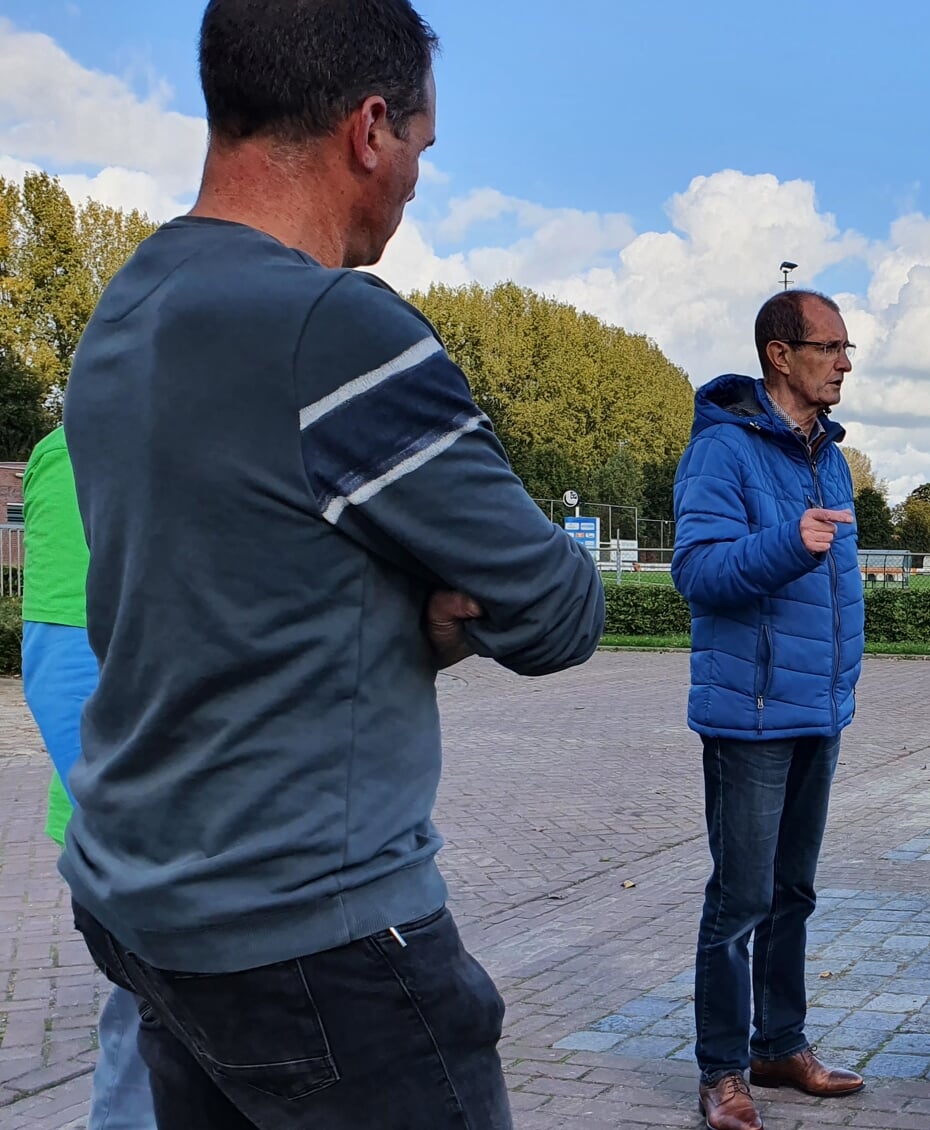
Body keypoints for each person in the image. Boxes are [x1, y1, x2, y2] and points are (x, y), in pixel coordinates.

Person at [60, 2, 606, 1126]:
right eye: (420, 148)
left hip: (144, 908)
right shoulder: (333, 327)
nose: (415, 180)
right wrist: (430, 600)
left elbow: (215, 586)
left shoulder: (127, 309)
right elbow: (558, 607)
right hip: (319, 935)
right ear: (369, 130)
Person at [672, 289, 866, 1130]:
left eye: (847, 348)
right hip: (748, 716)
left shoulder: (828, 454)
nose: (845, 363)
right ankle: (722, 1071)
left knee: (794, 891)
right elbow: (699, 574)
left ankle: (780, 1044)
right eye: (829, 347)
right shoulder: (723, 451)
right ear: (780, 355)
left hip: (817, 710)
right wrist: (791, 543)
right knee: (740, 898)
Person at [20, 427, 154, 1130]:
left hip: (267, 822)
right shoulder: (86, 444)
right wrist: (149, 839)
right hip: (159, 835)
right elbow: (65, 674)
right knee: (158, 1045)